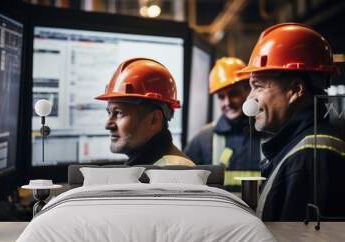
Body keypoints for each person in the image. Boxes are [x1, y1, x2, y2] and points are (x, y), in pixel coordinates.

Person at [239, 23, 345, 221]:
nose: (249, 100)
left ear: (295, 90)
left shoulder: (309, 158)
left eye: (258, 87)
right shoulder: (296, 149)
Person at [95, 58, 194, 166]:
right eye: (109, 113)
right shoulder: (151, 168)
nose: (108, 125)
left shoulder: (173, 173)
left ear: (154, 120)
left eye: (119, 113)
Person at [185, 57, 262, 194]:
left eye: (233, 94)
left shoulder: (270, 134)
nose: (227, 103)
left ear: (248, 91)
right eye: (221, 97)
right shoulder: (202, 141)